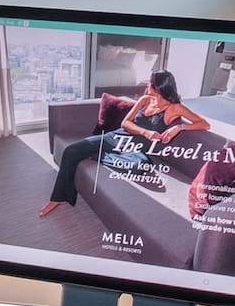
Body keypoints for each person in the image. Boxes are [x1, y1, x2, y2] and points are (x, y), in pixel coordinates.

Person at [40, 70, 209, 216]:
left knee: (140, 165)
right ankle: (59, 198)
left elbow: (203, 123)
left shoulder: (174, 108)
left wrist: (179, 127)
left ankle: (95, 154)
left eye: (150, 82)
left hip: (134, 148)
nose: (147, 84)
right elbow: (125, 124)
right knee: (71, 151)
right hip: (115, 137)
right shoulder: (145, 100)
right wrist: (146, 131)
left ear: (159, 86)